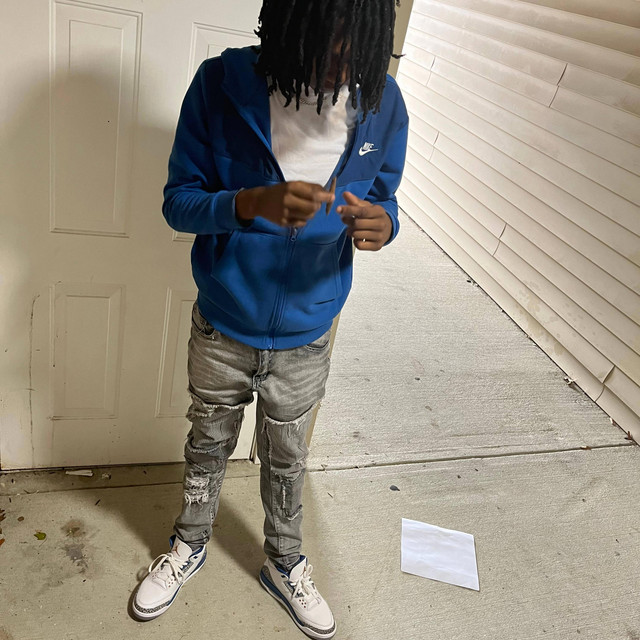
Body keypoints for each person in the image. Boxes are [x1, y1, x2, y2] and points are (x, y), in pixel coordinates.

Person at [132, 1, 408, 637]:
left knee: (287, 459)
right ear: (289, 22)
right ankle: (189, 544)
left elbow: (385, 196)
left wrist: (385, 224)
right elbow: (179, 203)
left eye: (354, 46)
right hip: (224, 324)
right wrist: (250, 203)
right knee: (207, 444)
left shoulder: (382, 101)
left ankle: (284, 562)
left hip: (309, 333)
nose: (340, 62)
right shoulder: (220, 84)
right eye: (325, 41)